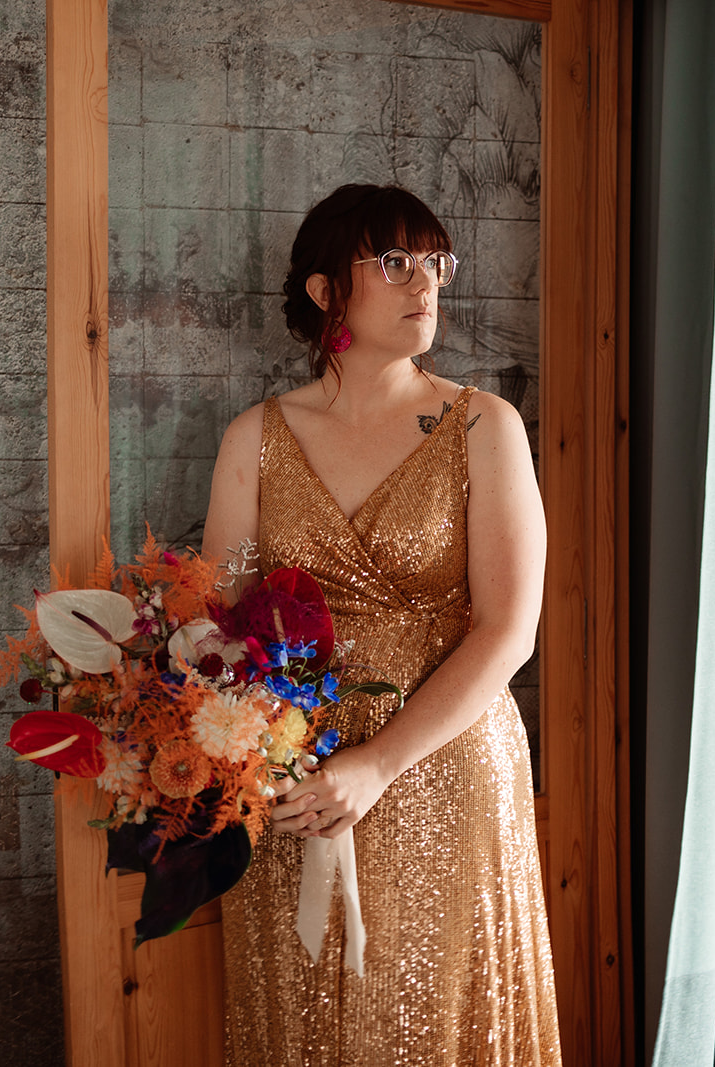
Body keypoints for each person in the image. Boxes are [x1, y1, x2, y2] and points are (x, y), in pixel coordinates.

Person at [202, 184, 561, 1065]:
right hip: (301, 783)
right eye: (396, 263)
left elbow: (510, 629)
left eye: (436, 263)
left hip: (443, 768)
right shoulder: (255, 438)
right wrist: (259, 752)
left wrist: (379, 761)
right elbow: (215, 628)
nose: (426, 283)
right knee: (309, 1015)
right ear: (327, 291)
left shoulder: (483, 424)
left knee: (436, 1019)